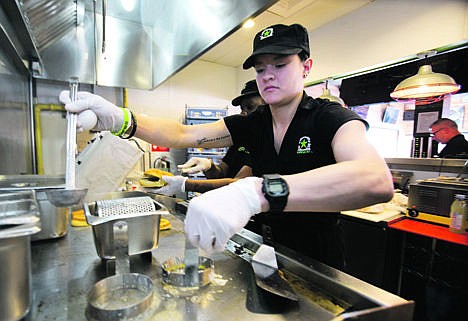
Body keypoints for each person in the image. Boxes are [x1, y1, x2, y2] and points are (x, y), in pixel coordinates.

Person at [59, 24, 393, 266]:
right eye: (261, 69)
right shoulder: (254, 123)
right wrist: (122, 119)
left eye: (280, 65)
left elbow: (375, 180)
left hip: (318, 261)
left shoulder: (329, 117)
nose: (268, 76)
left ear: (306, 67)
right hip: (265, 252)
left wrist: (255, 192)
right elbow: (182, 134)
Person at [154, 80, 264, 195]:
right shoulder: (240, 139)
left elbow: (239, 185)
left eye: (250, 107)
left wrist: (186, 185)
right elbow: (221, 173)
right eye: (242, 109)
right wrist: (209, 166)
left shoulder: (267, 144)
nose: (244, 113)